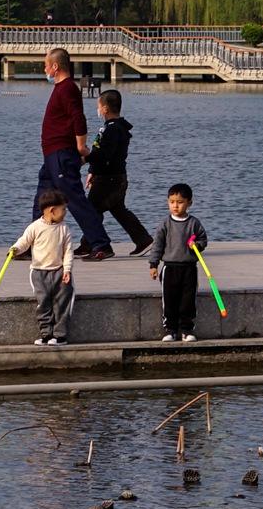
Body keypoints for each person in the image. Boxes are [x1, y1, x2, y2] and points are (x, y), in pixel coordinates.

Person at [37, 48, 113, 260]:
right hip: (51, 156)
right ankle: (34, 243)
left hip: (61, 154)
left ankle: (101, 244)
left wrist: (81, 147)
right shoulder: (61, 88)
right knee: (42, 199)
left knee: (75, 199)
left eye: (46, 65)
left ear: (55, 67)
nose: (44, 69)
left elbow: (78, 118)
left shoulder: (68, 88)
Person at [85, 87, 152, 254]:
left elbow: (103, 154)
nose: (97, 110)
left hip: (109, 179)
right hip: (114, 176)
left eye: (98, 106)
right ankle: (143, 239)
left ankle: (98, 245)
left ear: (105, 109)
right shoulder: (113, 128)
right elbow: (101, 153)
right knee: (117, 210)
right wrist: (92, 170)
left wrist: (85, 159)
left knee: (90, 210)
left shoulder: (112, 129)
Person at [9, 190, 79, 346]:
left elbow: (68, 251)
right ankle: (46, 334)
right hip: (39, 271)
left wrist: (67, 269)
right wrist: (15, 249)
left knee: (62, 301)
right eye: (63, 209)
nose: (65, 213)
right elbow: (24, 241)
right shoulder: (35, 227)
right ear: (52, 210)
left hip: (59, 271)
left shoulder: (64, 229)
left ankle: (60, 335)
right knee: (44, 302)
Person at [147, 182, 209, 343]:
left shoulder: (193, 223)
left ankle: (187, 330)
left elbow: (203, 239)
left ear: (189, 203)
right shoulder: (165, 224)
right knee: (169, 300)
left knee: (188, 301)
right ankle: (170, 330)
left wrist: (197, 245)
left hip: (189, 269)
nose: (175, 206)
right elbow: (157, 246)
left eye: (180, 202)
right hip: (170, 268)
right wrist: (153, 265)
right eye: (172, 202)